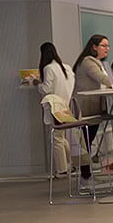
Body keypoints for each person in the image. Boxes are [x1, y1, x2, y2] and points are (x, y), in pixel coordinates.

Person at [72, 34, 112, 187]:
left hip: (93, 108)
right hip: (86, 109)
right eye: (104, 46)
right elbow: (103, 79)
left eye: (108, 46)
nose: (107, 49)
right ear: (94, 47)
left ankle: (86, 175)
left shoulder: (97, 62)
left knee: (88, 141)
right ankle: (85, 176)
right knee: (85, 142)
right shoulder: (88, 62)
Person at [38, 42, 75, 177]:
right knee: (61, 136)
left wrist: (38, 84)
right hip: (66, 104)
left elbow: (46, 88)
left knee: (57, 138)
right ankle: (69, 164)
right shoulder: (67, 67)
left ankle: (62, 169)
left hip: (55, 105)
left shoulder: (49, 68)